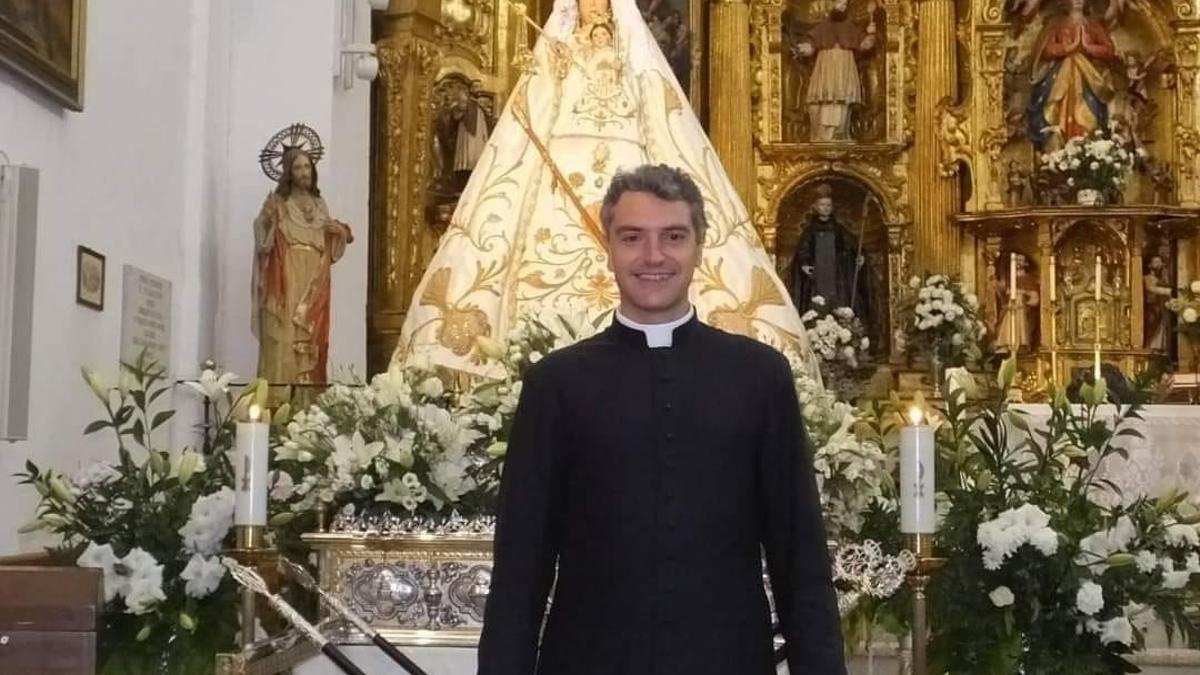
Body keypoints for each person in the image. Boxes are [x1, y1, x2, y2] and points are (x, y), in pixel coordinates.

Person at [477, 164, 845, 675]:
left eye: (673, 236)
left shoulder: (759, 377)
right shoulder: (556, 384)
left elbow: (799, 557)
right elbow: (520, 570)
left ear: (699, 245)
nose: (653, 256)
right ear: (607, 247)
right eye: (632, 237)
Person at [394, 0, 817, 378]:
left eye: (602, 6)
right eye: (587, 5)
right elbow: (540, 105)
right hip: (560, 157)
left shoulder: (631, 53)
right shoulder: (559, 48)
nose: (595, 11)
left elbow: (657, 111)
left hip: (627, 155)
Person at [251, 148, 353, 388]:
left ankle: (306, 402)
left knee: (310, 339)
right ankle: (278, 399)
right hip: (286, 275)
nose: (304, 172)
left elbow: (330, 241)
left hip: (314, 278)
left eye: (307, 167)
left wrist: (338, 232)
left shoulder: (319, 203)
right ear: (288, 172)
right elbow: (262, 234)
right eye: (297, 167)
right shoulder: (279, 202)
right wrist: (267, 221)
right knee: (283, 336)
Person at [1026, 0, 1117, 151]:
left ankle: (1087, 148)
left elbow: (1109, 50)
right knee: (1057, 106)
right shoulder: (1056, 24)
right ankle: (1058, 149)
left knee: (1090, 108)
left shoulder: (1093, 25)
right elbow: (1046, 49)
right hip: (1060, 75)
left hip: (1089, 76)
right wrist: (1067, 48)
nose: (1077, 1)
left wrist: (1089, 47)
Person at [791, 0, 876, 142]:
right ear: (831, 4)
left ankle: (839, 133)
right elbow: (811, 45)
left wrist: (871, 34)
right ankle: (821, 134)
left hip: (844, 66)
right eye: (839, 3)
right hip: (825, 65)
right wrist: (803, 49)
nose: (842, 6)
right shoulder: (822, 27)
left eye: (844, 4)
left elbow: (864, 45)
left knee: (841, 98)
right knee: (823, 97)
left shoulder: (850, 28)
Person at [791, 184, 871, 320]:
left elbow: (851, 246)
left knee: (838, 304)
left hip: (836, 276)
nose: (825, 208)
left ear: (832, 207)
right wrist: (804, 264)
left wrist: (858, 256)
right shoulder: (809, 231)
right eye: (822, 205)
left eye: (828, 205)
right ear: (816, 207)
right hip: (817, 275)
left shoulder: (839, 229)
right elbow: (803, 250)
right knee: (817, 304)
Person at [1144, 253, 1172, 351]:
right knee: (1152, 330)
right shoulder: (1147, 278)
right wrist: (1169, 291)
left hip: (1162, 308)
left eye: (1160, 262)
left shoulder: (1163, 278)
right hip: (1152, 307)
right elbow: (1151, 288)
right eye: (1156, 262)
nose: (1159, 264)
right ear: (1150, 265)